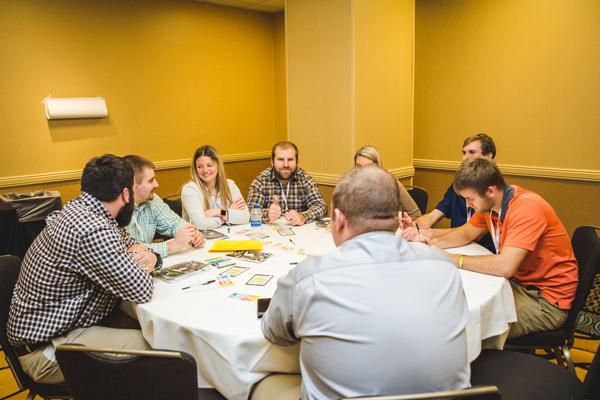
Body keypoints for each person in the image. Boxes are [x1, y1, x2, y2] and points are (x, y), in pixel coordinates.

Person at [256, 165, 470, 400]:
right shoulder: (442, 265)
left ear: (338, 220)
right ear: (397, 218)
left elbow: (275, 334)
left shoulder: (309, 277)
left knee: (260, 383)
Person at [7, 154, 157, 384]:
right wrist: (141, 261)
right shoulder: (92, 230)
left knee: (149, 325)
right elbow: (142, 289)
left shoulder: (82, 210)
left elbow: (132, 245)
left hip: (64, 326)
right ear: (126, 194)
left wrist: (141, 257)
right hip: (46, 351)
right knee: (164, 349)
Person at [414, 158, 578, 339]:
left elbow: (505, 266)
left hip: (545, 300)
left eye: (470, 199)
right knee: (456, 303)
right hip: (519, 283)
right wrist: (427, 242)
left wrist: (452, 259)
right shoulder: (491, 205)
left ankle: (478, 366)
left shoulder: (526, 209)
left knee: (465, 326)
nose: (468, 204)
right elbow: (465, 234)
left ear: (490, 191)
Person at [402, 133, 496, 252]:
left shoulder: (491, 193)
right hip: (455, 246)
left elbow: (470, 233)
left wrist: (426, 233)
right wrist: (413, 227)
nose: (465, 158)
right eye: (463, 153)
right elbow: (433, 216)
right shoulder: (457, 187)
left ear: (489, 156)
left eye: (471, 152)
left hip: (483, 252)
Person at [124, 155, 205, 257]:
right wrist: (171, 246)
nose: (157, 184)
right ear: (133, 185)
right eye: (150, 181)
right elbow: (129, 252)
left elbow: (174, 222)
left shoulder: (152, 199)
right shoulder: (117, 210)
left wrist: (192, 234)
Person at [247, 141, 327, 226]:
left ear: (297, 161)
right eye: (281, 159)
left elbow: (321, 206)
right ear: (272, 162)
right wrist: (267, 214)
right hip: (270, 234)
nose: (286, 165)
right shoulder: (261, 180)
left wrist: (303, 216)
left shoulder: (304, 179)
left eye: (290, 160)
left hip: (300, 233)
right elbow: (249, 210)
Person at [181, 145, 249, 230]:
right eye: (200, 167)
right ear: (195, 169)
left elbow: (246, 216)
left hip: (229, 237)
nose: (205, 170)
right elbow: (200, 224)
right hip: (198, 240)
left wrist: (219, 212)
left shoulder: (230, 184)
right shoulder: (190, 190)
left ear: (218, 165)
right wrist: (224, 213)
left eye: (209, 165)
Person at [354, 145, 421, 220]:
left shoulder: (391, 183)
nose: (363, 171)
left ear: (377, 167)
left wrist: (396, 223)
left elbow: (416, 215)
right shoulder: (350, 186)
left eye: (368, 167)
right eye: (359, 167)